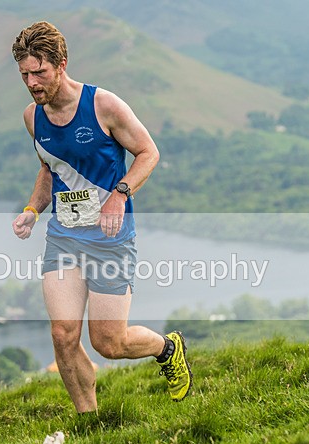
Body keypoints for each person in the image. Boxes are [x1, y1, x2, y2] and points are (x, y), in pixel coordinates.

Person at [10, 21, 192, 413]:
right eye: (24, 74)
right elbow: (49, 171)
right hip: (65, 236)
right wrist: (31, 210)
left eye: (39, 72)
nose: (32, 82)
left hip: (110, 237)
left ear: (61, 64)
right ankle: (88, 421)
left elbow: (148, 153)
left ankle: (167, 348)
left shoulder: (103, 105)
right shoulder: (32, 117)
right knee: (62, 334)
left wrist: (119, 196)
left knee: (109, 343)